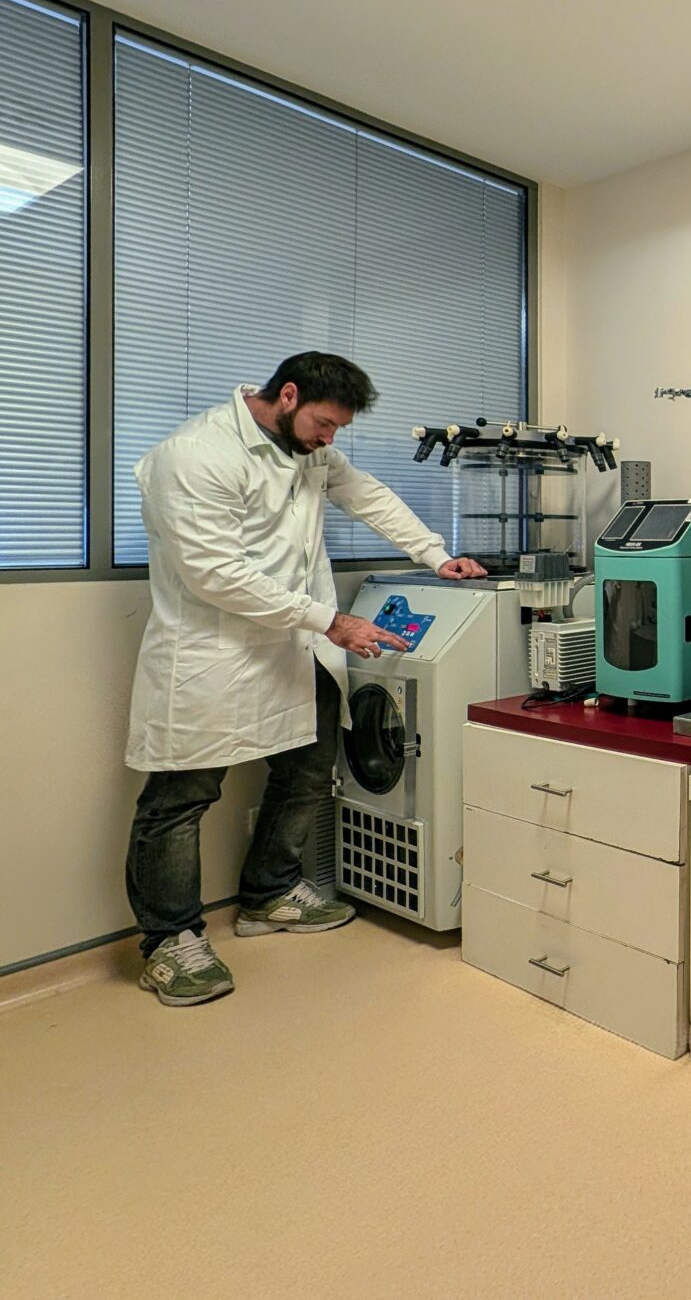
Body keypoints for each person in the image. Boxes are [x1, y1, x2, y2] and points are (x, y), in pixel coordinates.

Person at [124, 352, 487, 1006]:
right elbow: (216, 575)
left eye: (338, 428)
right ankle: (169, 940)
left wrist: (435, 555)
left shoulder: (309, 451)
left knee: (310, 771)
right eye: (324, 423)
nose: (330, 438)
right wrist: (332, 621)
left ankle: (268, 894)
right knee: (181, 798)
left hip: (296, 644)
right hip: (214, 651)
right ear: (287, 396)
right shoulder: (196, 455)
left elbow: (367, 495)